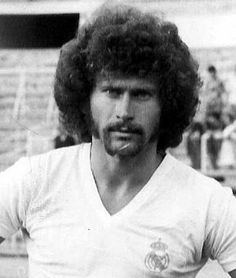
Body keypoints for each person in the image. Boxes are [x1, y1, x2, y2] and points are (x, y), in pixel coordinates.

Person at [1, 4, 236, 278]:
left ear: (167, 104)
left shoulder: (206, 202)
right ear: (85, 98)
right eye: (112, 91)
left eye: (141, 94)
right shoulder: (35, 180)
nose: (124, 111)